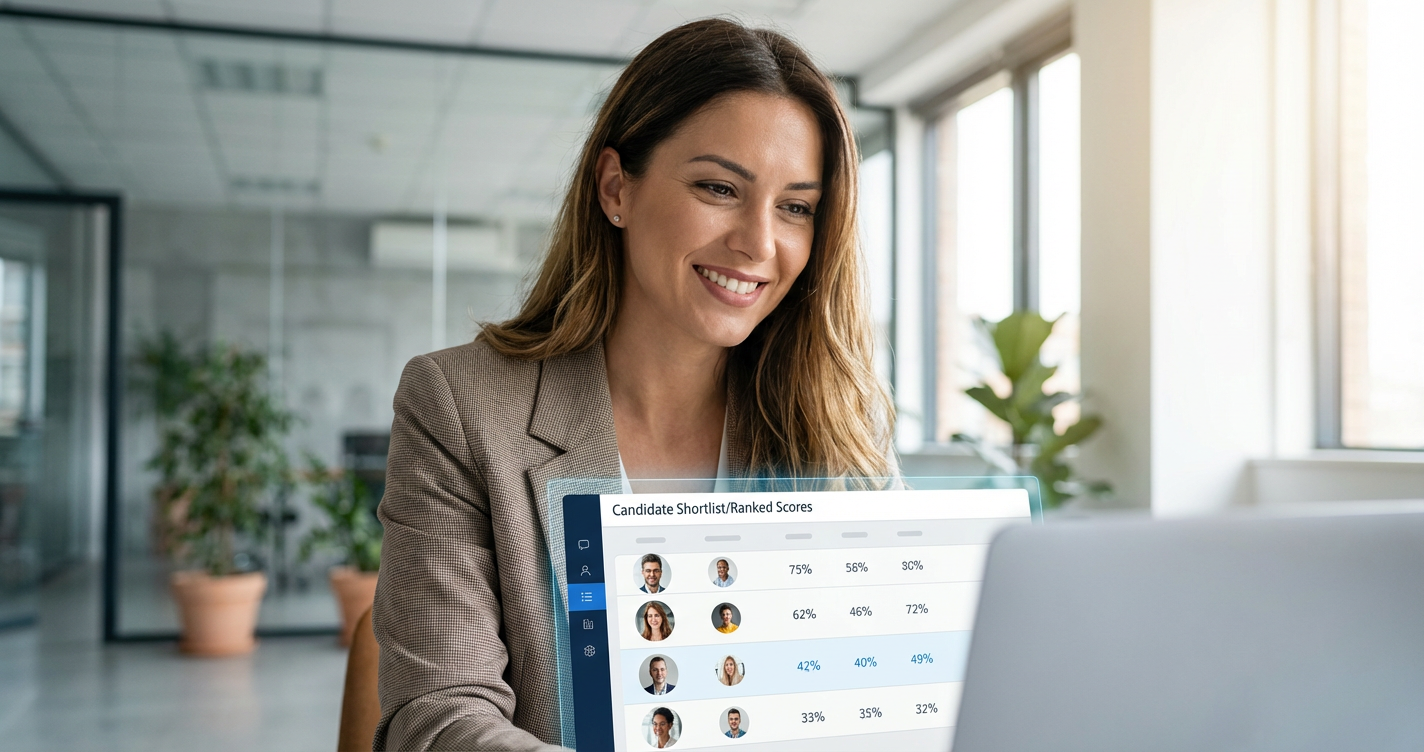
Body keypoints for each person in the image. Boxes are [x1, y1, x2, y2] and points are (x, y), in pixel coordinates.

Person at [372, 17, 896, 751]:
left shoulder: (839, 428)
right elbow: (438, 719)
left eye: (796, 208)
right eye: (719, 187)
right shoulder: (460, 407)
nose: (759, 242)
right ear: (617, 187)